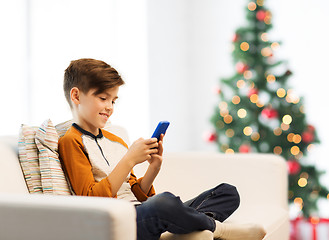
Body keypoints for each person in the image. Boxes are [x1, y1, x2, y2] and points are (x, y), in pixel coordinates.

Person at [58, 58, 266, 240]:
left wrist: (153, 168)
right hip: (120, 224)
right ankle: (218, 230)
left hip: (141, 212)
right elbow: (92, 199)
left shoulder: (116, 139)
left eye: (113, 100)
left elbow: (137, 194)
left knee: (227, 193)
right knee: (163, 202)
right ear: (76, 96)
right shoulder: (71, 141)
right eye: (103, 98)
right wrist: (129, 160)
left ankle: (188, 230)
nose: (110, 107)